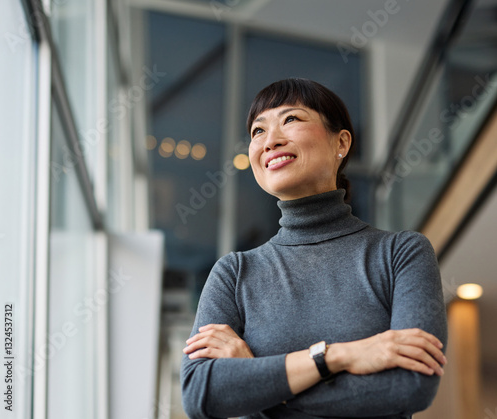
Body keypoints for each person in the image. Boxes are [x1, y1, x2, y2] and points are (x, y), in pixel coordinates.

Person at [181, 78, 448, 419]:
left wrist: (259, 378)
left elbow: (412, 384)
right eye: (257, 131)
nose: (270, 141)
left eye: (291, 119)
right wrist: (335, 357)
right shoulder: (234, 273)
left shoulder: (400, 253)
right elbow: (199, 394)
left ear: (342, 142)